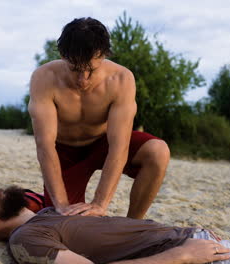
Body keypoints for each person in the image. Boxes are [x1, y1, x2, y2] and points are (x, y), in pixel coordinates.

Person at [29, 17, 170, 219]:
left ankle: (132, 224)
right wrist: (60, 204)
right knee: (63, 219)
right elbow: (45, 146)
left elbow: (119, 147)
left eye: (91, 70)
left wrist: (100, 203)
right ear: (63, 56)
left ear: (103, 56)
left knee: (158, 152)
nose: (83, 80)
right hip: (65, 152)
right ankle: (40, 201)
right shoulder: (43, 78)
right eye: (75, 69)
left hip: (102, 144)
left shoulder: (121, 79)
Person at [0, 185, 230, 264]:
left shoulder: (48, 215)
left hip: (194, 241)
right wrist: (181, 255)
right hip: (192, 257)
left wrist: (185, 233)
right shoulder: (26, 239)